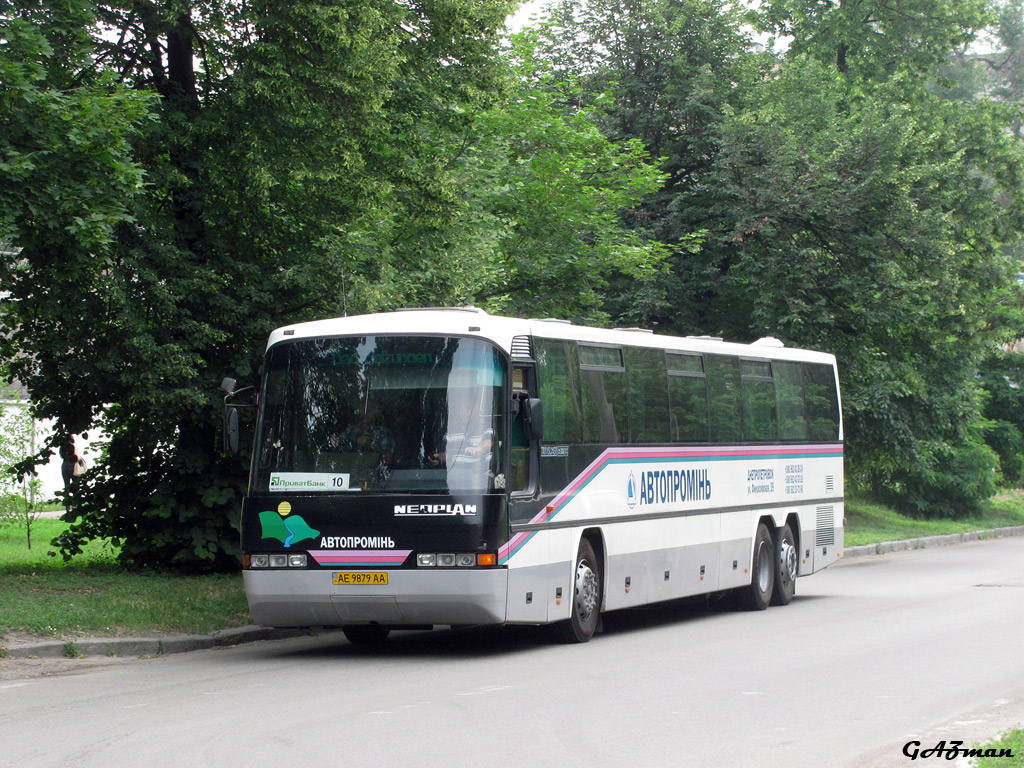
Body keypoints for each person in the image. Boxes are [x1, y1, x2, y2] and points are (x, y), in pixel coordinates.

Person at [58, 437, 85, 513]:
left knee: (66, 486)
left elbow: (62, 456)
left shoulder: (61, 448)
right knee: (75, 486)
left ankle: (67, 506)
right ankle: (74, 505)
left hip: (64, 466)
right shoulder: (72, 447)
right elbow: (76, 457)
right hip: (72, 466)